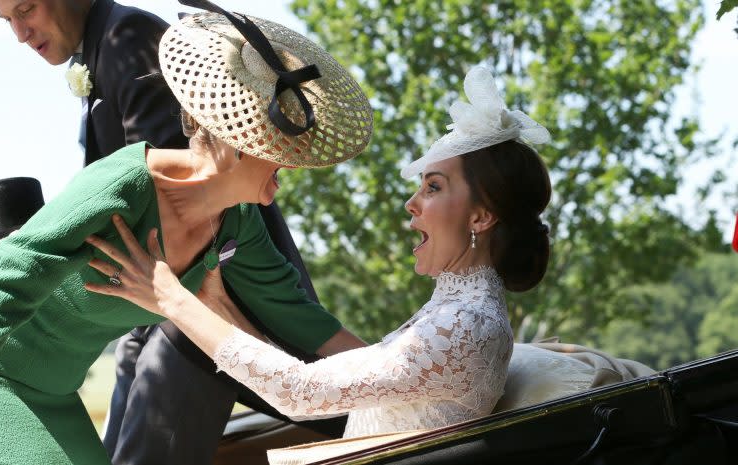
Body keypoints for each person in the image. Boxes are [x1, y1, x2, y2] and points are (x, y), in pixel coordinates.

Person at [86, 63, 553, 437]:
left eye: (433, 187)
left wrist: (172, 298)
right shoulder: (458, 313)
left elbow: (298, 390)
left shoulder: (466, 324)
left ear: (480, 217)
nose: (412, 204)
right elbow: (306, 381)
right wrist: (218, 304)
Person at [0, 5, 372, 465]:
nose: (293, 163)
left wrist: (406, 368)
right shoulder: (124, 185)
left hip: (57, 390)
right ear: (236, 141)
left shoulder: (237, 224)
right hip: (2, 378)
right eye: (281, 149)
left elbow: (303, 321)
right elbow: (8, 271)